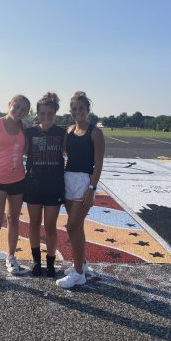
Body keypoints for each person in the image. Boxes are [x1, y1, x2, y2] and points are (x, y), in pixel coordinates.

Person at [0, 95, 31, 286]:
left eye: (23, 110)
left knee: (13, 219)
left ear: (27, 113)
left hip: (18, 179)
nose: (18, 112)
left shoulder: (23, 128)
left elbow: (26, 151)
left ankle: (10, 257)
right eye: (16, 107)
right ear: (9, 105)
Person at [56, 91, 105, 289]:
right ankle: (81, 265)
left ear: (87, 110)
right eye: (74, 109)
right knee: (78, 228)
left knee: (71, 227)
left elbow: (98, 164)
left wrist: (91, 188)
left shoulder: (95, 133)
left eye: (81, 108)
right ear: (71, 111)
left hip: (84, 182)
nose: (78, 112)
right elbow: (65, 154)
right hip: (69, 179)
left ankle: (78, 274)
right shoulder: (68, 130)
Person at [24, 92, 65, 277]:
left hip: (54, 185)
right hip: (33, 183)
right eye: (42, 113)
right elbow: (20, 151)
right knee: (33, 224)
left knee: (50, 226)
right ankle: (35, 262)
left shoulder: (62, 133)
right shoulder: (30, 132)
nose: (46, 117)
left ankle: (50, 262)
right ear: (37, 113)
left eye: (49, 113)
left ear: (55, 113)